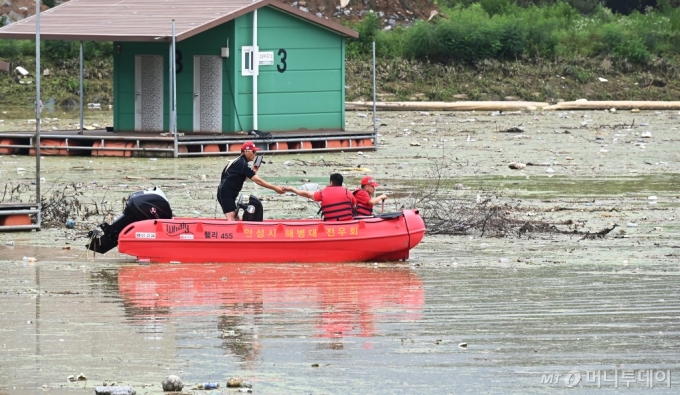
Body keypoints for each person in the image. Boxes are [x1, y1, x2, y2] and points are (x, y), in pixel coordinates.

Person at [217, 141, 284, 220]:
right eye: (253, 151)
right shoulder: (242, 164)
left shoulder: (240, 161)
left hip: (228, 193)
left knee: (236, 219)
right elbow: (258, 181)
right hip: (226, 194)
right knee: (232, 220)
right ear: (246, 151)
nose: (255, 154)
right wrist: (275, 188)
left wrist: (254, 171)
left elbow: (241, 178)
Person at [283, 173, 356, 221]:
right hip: (348, 224)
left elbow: (308, 194)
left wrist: (293, 189)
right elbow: (354, 206)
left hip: (331, 225)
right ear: (341, 183)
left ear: (331, 182)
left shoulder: (324, 192)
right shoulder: (348, 193)